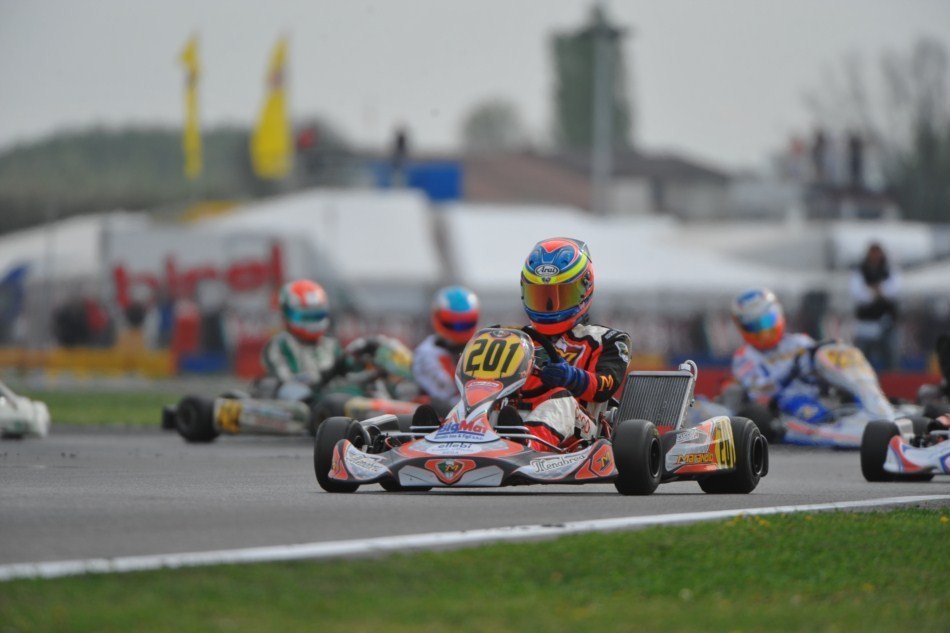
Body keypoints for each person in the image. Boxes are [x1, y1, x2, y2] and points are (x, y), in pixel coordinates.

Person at [511, 237, 632, 452]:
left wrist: (571, 377)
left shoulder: (608, 339)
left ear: (585, 288)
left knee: (560, 399)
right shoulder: (517, 338)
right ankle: (457, 437)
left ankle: (526, 446)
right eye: (540, 296)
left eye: (562, 295)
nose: (549, 306)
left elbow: (606, 386)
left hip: (581, 432)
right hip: (518, 414)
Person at [730, 287, 827, 426]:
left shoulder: (800, 342)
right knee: (808, 410)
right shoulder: (744, 357)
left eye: (767, 321)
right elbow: (762, 392)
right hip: (782, 406)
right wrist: (791, 371)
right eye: (755, 326)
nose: (764, 331)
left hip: (818, 393)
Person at [261, 279, 343, 391]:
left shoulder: (331, 345)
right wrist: (321, 378)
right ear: (286, 313)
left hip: (336, 397)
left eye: (317, 316)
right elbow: (287, 383)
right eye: (306, 316)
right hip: (300, 398)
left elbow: (345, 376)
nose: (312, 322)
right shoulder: (281, 345)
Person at [412, 285, 480, 404]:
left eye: (465, 325)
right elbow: (446, 393)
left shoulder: (481, 348)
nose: (459, 330)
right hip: (439, 410)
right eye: (454, 325)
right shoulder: (426, 353)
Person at [849, 242, 901, 371]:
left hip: (886, 323)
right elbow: (859, 294)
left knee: (891, 359)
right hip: (866, 324)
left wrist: (875, 290)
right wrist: (877, 292)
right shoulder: (861, 271)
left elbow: (894, 290)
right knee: (862, 359)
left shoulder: (888, 270)